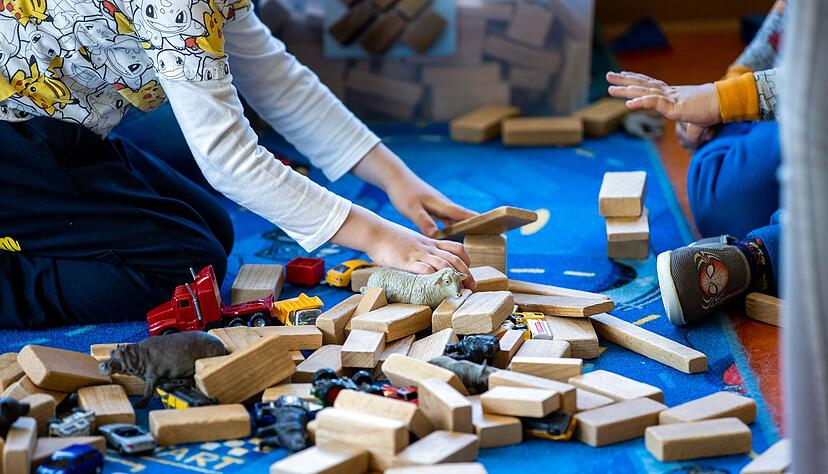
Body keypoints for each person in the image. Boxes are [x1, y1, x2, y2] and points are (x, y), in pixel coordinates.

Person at [0, 0, 476, 329]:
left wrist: (395, 177)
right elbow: (226, 158)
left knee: (211, 228)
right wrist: (374, 235)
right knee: (184, 267)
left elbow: (277, 82)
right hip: (16, 143)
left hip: (60, 130)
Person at [605, 1, 786, 325]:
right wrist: (723, 104)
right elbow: (782, 31)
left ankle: (758, 258)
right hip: (799, 112)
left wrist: (722, 101)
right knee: (720, 195)